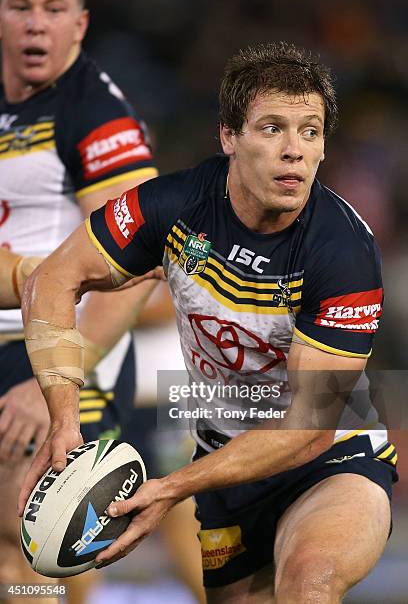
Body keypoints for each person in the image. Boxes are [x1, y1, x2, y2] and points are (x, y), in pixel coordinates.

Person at [19, 42, 398, 603]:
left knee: (309, 580)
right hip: (224, 459)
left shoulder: (343, 251)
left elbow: (309, 427)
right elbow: (52, 279)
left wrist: (169, 489)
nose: (295, 151)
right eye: (272, 128)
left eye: (311, 132)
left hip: (332, 452)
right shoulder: (172, 206)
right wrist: (64, 420)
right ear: (228, 138)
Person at [0, 0, 158, 599]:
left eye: (54, 7)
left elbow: (140, 264)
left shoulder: (96, 115)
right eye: (20, 7)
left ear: (81, 24)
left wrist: (54, 390)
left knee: (32, 554)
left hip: (50, 353)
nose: (37, 23)